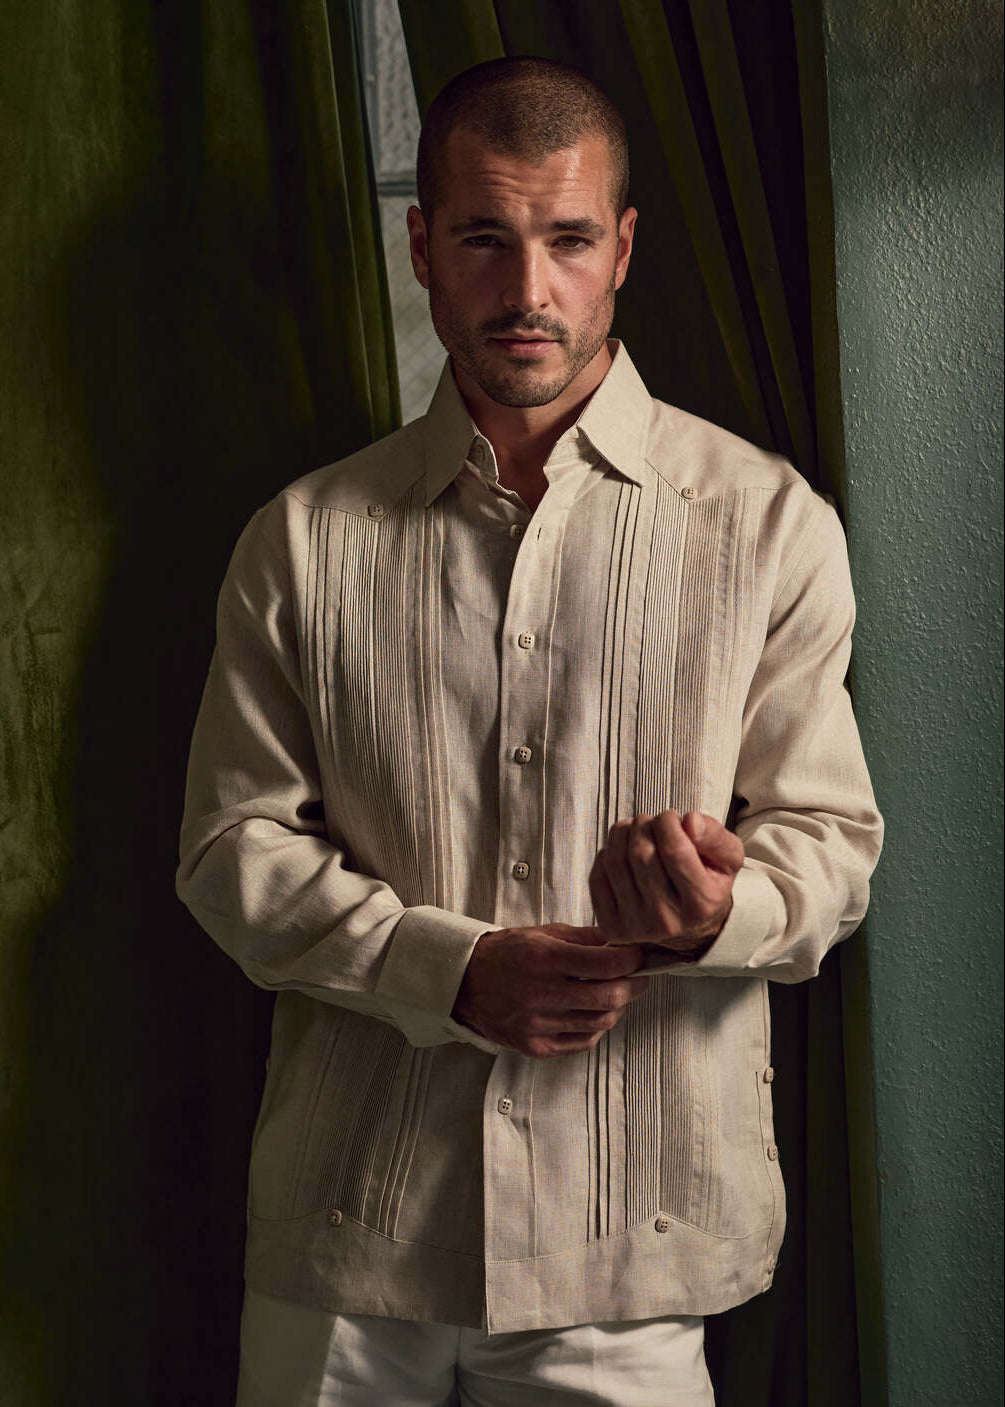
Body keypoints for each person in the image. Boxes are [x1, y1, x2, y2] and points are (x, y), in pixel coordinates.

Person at [177, 56, 883, 1407]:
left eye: (565, 239)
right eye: (485, 240)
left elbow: (832, 851)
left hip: (629, 1247)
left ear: (620, 249)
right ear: (423, 245)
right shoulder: (305, 536)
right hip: (350, 1245)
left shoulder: (765, 522)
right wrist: (450, 971)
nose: (526, 289)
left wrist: (710, 912)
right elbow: (227, 848)